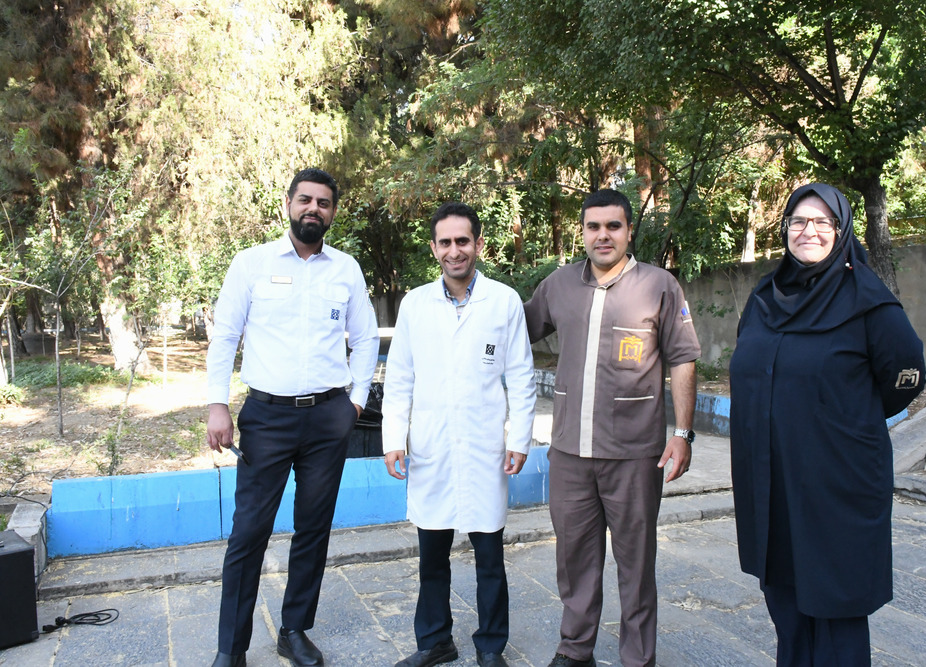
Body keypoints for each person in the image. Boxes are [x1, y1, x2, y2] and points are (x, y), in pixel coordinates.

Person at [728, 183, 926, 666]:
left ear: (841, 230)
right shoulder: (764, 297)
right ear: (785, 230)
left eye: (822, 222)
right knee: (785, 597)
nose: (808, 231)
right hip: (773, 477)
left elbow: (905, 375)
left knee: (835, 599)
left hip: (838, 477)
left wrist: (842, 421)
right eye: (798, 221)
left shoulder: (869, 301)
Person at [205, 168, 379, 667]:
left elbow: (366, 337)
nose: (313, 209)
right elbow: (225, 335)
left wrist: (354, 402)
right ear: (287, 204)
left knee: (313, 528)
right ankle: (231, 648)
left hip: (328, 419)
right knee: (248, 533)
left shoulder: (345, 269)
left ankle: (294, 630)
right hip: (267, 417)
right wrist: (217, 404)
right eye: (305, 200)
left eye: (323, 203)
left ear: (333, 212)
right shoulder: (251, 263)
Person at [522, 188, 701, 667]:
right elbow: (516, 330)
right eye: (594, 227)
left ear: (628, 231)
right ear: (582, 232)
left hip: (634, 454)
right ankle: (575, 649)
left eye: (613, 226)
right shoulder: (558, 285)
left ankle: (638, 657)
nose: (603, 235)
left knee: (635, 563)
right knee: (573, 558)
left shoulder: (659, 285)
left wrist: (682, 434)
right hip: (569, 453)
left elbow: (683, 357)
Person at [382, 202, 536, 667]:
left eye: (463, 241)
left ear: (478, 244)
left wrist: (519, 439)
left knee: (490, 555)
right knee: (432, 556)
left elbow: (521, 376)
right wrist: (393, 438)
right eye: (445, 242)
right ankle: (435, 641)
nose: (455, 251)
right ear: (434, 248)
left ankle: (490, 646)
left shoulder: (504, 302)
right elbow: (399, 378)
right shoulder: (415, 304)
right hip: (432, 446)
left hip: (485, 446)